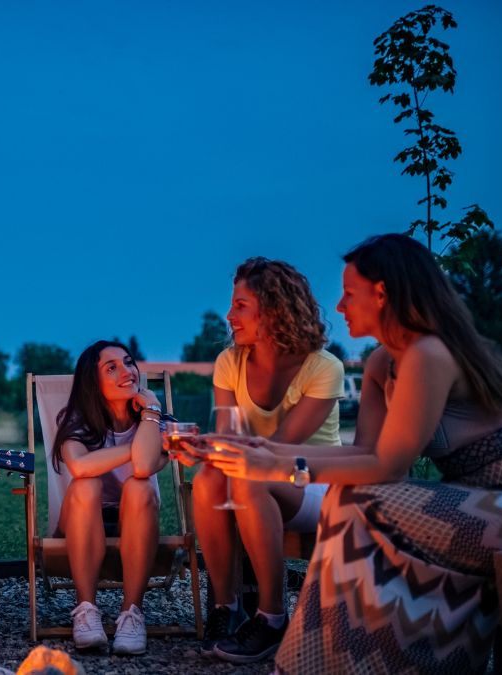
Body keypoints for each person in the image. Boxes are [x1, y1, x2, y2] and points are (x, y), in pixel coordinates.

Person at [207, 234, 502, 674]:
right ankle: (342, 658)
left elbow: (389, 466)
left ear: (382, 294)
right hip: (469, 499)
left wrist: (277, 464)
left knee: (355, 500)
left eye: (350, 293)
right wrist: (265, 449)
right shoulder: (382, 363)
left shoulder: (428, 353)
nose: (340, 306)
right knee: (345, 497)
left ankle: (326, 661)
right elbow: (365, 451)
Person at [173, 258, 344, 663]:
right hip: (252, 476)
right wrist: (203, 449)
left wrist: (221, 449)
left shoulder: (323, 367)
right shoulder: (230, 362)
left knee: (248, 477)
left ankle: (272, 617)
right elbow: (230, 438)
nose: (229, 315)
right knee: (210, 477)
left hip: (314, 482)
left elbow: (282, 449)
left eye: (241, 305)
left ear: (274, 309)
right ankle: (226, 608)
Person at [52, 340, 169, 655]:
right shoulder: (75, 420)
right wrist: (136, 447)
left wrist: (152, 411)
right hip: (82, 520)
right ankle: (86, 610)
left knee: (140, 486)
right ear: (93, 381)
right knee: (85, 484)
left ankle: (132, 614)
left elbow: (144, 466)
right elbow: (79, 466)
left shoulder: (155, 421)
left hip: (136, 519)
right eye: (112, 368)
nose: (127, 372)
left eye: (128, 363)